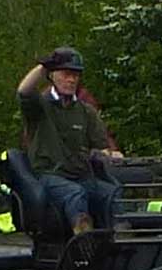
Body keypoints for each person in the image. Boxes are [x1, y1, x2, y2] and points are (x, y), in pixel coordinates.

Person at [16, 46, 122, 234]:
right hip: (50, 176)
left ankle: (122, 238)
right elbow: (24, 91)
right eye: (66, 74)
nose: (72, 79)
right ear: (53, 75)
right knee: (75, 194)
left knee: (111, 192)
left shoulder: (86, 111)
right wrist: (43, 66)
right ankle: (83, 240)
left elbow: (101, 146)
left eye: (75, 75)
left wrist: (110, 155)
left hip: (81, 176)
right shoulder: (40, 106)